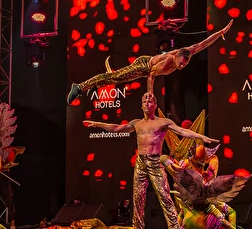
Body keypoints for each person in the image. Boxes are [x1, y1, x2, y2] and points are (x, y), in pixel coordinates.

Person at [84, 92, 220, 229]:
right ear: (141, 106)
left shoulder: (163, 122)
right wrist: (98, 124)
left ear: (155, 105)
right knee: (138, 198)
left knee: (164, 196)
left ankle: (174, 227)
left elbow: (182, 131)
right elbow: (117, 128)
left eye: (150, 101)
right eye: (144, 101)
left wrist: (201, 137)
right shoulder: (136, 123)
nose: (147, 103)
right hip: (141, 162)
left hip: (155, 162)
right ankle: (138, 227)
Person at [67, 20, 233, 104]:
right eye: (181, 63)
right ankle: (79, 87)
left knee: (115, 79)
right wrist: (150, 94)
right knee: (114, 77)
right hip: (144, 67)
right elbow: (151, 75)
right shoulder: (168, 62)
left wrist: (221, 32)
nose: (182, 66)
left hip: (147, 63)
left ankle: (95, 85)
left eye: (184, 64)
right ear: (175, 56)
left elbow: (204, 43)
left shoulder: (187, 51)